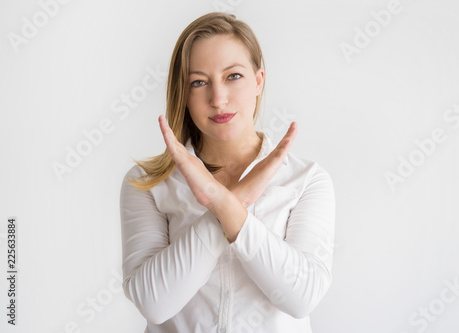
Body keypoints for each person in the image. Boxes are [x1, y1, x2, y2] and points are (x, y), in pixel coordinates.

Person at [120, 12, 335, 333]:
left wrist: (223, 204)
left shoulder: (306, 180)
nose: (218, 99)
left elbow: (301, 297)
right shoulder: (147, 183)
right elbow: (155, 304)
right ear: (185, 94)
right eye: (198, 82)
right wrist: (232, 203)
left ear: (259, 80)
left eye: (233, 76)